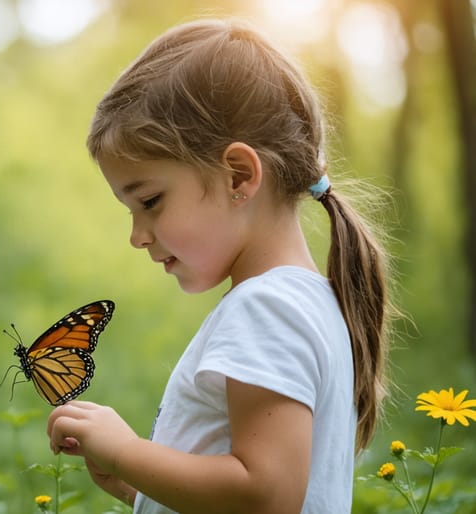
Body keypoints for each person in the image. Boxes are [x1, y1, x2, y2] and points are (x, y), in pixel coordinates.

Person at [46, 19, 395, 514]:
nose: (137, 236)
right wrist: (137, 481)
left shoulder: (266, 308)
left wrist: (127, 451)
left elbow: (267, 494)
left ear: (239, 175)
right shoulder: (304, 301)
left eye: (150, 200)